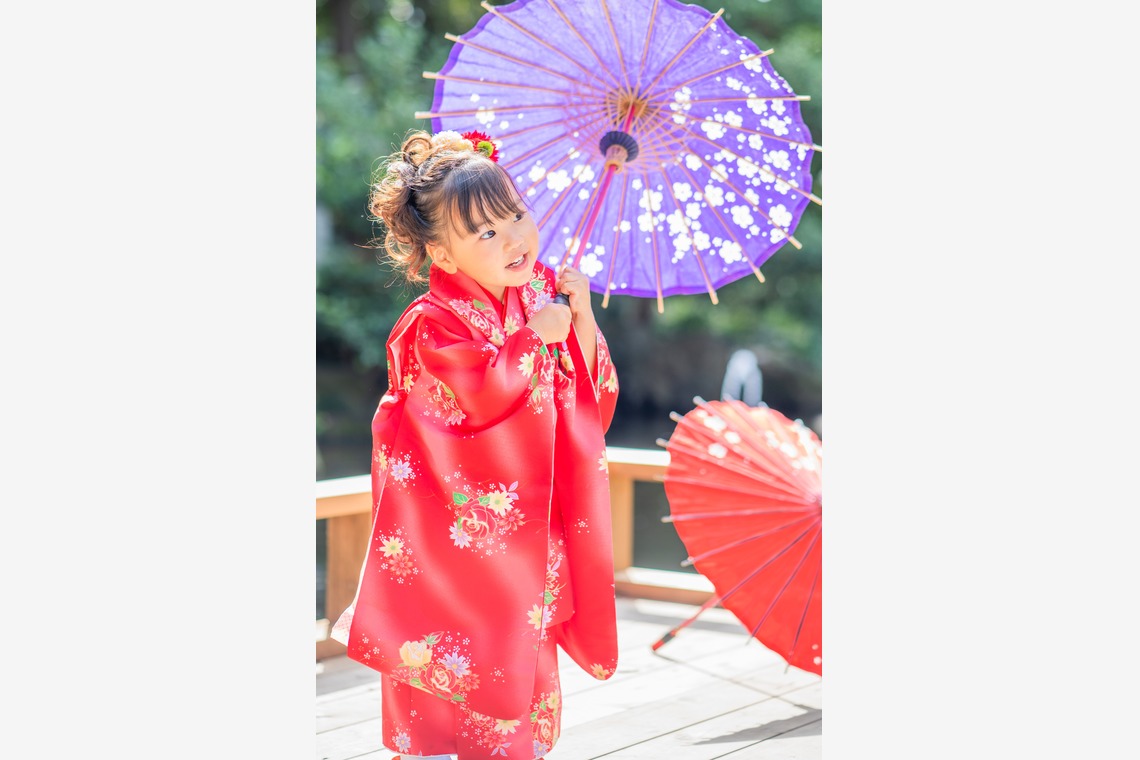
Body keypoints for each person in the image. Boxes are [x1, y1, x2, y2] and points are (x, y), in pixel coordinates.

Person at [331, 128, 621, 760]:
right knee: (448, 667)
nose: (515, 237)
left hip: (527, 534)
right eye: (486, 232)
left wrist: (581, 317)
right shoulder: (430, 326)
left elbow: (589, 399)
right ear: (442, 254)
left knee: (522, 664)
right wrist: (531, 343)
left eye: (515, 214)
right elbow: (469, 409)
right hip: (451, 544)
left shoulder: (539, 295)